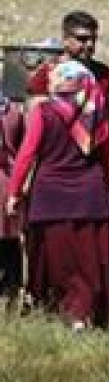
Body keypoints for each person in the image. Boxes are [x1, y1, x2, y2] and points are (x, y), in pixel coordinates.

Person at [6, 62, 109, 329]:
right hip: (89, 198)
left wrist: (14, 191)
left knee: (56, 260)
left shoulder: (44, 112)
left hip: (50, 198)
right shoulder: (97, 112)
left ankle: (61, 310)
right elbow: (106, 157)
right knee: (88, 262)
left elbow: (27, 153)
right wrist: (103, 190)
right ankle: (84, 313)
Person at [28, 12, 109, 247]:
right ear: (65, 40)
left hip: (98, 163)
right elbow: (34, 122)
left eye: (92, 39)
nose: (88, 45)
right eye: (81, 39)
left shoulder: (103, 74)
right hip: (58, 165)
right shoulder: (48, 75)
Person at [0, 89, 22, 308]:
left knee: (9, 239)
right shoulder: (13, 111)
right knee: (9, 239)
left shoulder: (12, 113)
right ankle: (11, 289)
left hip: (6, 181)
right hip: (8, 180)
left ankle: (11, 289)